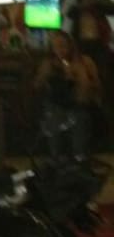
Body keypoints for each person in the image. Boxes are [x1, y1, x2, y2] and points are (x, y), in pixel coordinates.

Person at [34, 30, 101, 159]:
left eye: (63, 46)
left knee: (78, 119)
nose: (60, 50)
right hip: (56, 104)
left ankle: (79, 159)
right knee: (54, 116)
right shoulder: (48, 63)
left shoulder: (84, 61)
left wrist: (79, 76)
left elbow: (95, 88)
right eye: (56, 46)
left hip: (80, 105)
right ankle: (57, 159)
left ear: (71, 46)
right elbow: (36, 86)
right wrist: (44, 76)